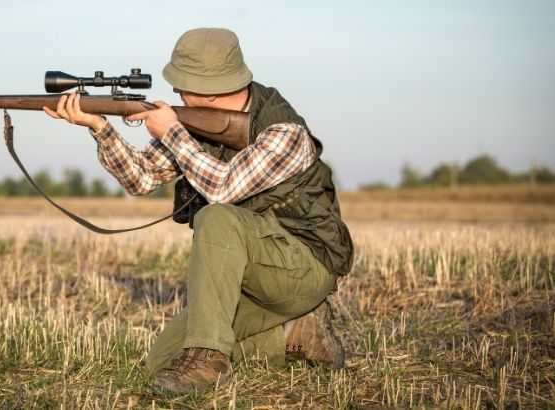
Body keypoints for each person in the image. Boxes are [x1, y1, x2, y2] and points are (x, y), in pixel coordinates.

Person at [44, 27, 354, 394]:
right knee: (163, 362)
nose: (174, 92)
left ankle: (210, 366)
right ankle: (294, 334)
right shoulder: (192, 124)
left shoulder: (283, 133)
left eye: (180, 85)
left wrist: (172, 132)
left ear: (205, 90)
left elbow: (222, 188)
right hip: (248, 274)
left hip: (303, 268)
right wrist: (99, 127)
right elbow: (140, 179)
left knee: (216, 217)